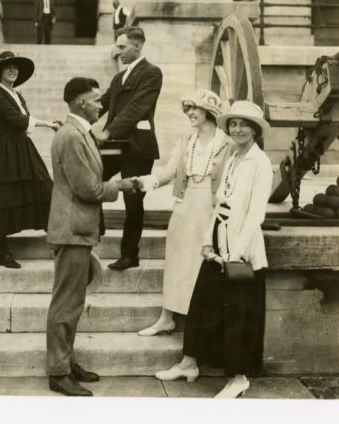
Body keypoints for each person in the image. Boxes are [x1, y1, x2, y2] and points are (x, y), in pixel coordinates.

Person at [154, 100, 273, 399]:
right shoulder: (233, 157)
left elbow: (255, 215)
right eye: (233, 124)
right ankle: (188, 364)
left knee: (237, 316)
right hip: (217, 243)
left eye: (245, 124)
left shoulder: (260, 164)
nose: (238, 129)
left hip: (241, 252)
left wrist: (235, 254)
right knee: (200, 307)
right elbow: (220, 204)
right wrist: (208, 240)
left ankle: (239, 379)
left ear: (256, 130)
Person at [46, 77, 137, 397]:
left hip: (75, 228)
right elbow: (89, 189)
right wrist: (122, 186)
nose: (102, 104)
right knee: (66, 304)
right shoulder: (72, 136)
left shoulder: (78, 132)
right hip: (72, 229)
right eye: (96, 100)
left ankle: (66, 362)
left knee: (72, 302)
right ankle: (58, 372)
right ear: (81, 103)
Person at [135, 90, 234, 336]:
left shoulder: (227, 144)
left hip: (211, 209)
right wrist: (146, 181)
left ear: (209, 112)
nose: (189, 113)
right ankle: (166, 317)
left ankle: (197, 322)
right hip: (185, 204)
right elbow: (169, 171)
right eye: (187, 109)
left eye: (194, 108)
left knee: (203, 262)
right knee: (177, 259)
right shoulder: (185, 142)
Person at [0, 51, 57, 269]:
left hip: (21, 147)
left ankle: (56, 240)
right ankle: (3, 252)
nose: (13, 70)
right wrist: (49, 124)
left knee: (43, 189)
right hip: (3, 150)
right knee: (3, 197)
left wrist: (44, 123)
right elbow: (18, 120)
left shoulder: (17, 95)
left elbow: (23, 120)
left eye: (15, 67)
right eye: (8, 67)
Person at [94, 26, 163, 271]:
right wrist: (76, 118)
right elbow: (99, 104)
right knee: (93, 179)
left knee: (132, 202)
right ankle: (97, 227)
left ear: (138, 45)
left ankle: (130, 255)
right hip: (117, 146)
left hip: (137, 147)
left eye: (122, 47)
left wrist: (108, 131)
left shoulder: (152, 73)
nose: (117, 51)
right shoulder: (118, 78)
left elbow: (136, 108)